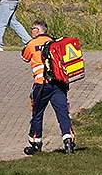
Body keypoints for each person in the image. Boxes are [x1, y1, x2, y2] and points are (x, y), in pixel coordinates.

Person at [20, 19, 75, 155]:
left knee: (37, 114)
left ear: (37, 30)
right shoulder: (56, 42)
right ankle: (69, 142)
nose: (31, 31)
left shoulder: (32, 44)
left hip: (42, 84)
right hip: (58, 84)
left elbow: (24, 57)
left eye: (32, 28)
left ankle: (35, 144)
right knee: (63, 113)